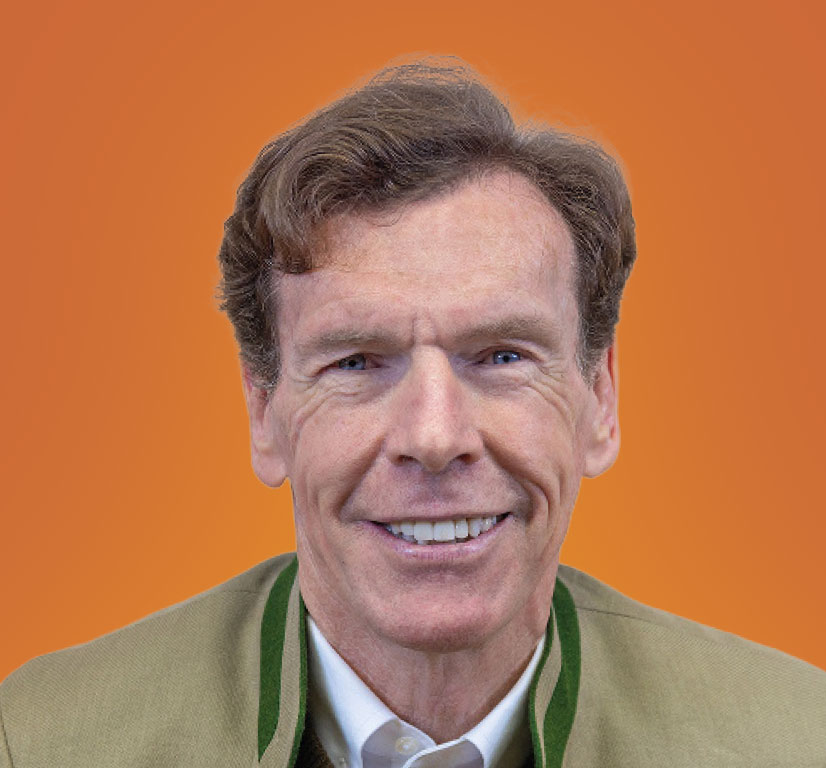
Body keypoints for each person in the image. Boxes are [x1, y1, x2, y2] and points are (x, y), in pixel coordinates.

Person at [1, 61, 824, 768]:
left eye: (502, 356)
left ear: (599, 399)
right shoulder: (41, 742)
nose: (435, 437)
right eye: (357, 362)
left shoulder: (796, 740)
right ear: (264, 410)